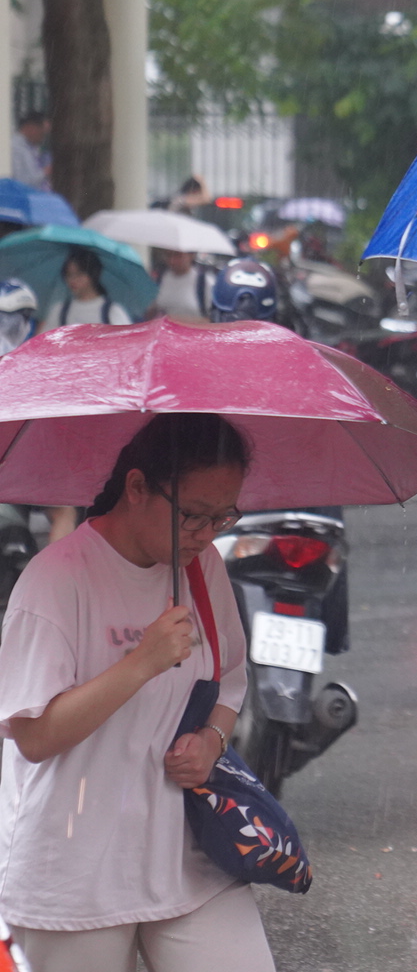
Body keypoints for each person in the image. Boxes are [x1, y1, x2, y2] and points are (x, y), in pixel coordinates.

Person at [0, 412, 275, 972]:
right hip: (74, 871)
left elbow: (231, 679)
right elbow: (33, 736)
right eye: (194, 515)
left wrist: (212, 739)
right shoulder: (58, 579)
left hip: (185, 856)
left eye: (223, 516)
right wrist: (141, 663)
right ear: (137, 487)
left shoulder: (203, 568)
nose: (205, 533)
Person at [41, 248, 133, 329]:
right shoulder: (60, 311)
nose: (73, 280)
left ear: (93, 274)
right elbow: (46, 343)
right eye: (69, 275)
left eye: (79, 274)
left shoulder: (112, 311)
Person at [148, 250, 215, 324]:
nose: (172, 260)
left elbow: (213, 320)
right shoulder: (161, 278)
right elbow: (151, 311)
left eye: (178, 255)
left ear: (191, 256)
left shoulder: (204, 282)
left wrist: (178, 320)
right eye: (168, 255)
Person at [11, 113, 48, 192]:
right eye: (42, 133)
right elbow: (21, 182)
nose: (42, 139)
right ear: (31, 128)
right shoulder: (16, 148)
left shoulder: (31, 148)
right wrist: (46, 172)